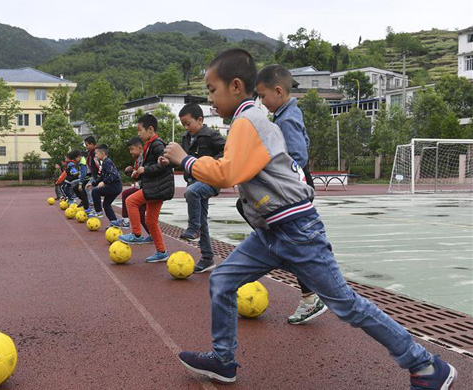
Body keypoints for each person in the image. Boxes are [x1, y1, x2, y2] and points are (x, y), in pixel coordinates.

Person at [164, 48, 457, 389]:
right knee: (223, 280)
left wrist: (184, 160)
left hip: (297, 230)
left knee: (347, 305)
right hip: (271, 232)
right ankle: (224, 360)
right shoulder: (248, 122)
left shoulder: (248, 121)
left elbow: (228, 173)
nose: (209, 99)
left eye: (212, 90)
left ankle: (426, 366)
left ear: (235, 86)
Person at [254, 64, 325, 324]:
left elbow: (298, 156)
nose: (261, 102)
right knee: (294, 245)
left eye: (262, 96)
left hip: (293, 193)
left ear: (279, 91)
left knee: (294, 246)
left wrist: (273, 174)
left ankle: (312, 297)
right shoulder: (286, 115)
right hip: (294, 190)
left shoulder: (287, 119)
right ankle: (311, 295)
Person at [119, 114, 174, 263]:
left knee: (131, 201)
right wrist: (139, 172)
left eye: (139, 130)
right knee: (150, 221)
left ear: (150, 129)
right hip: (155, 187)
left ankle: (136, 234)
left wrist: (145, 170)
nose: (138, 133)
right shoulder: (149, 145)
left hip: (157, 188)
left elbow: (164, 165)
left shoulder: (157, 144)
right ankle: (161, 251)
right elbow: (151, 167)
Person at [177, 103, 226, 273]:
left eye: (188, 123)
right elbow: (180, 157)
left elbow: (227, 151)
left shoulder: (211, 135)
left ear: (200, 120)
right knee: (202, 219)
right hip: (193, 180)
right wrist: (167, 160)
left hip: (210, 180)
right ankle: (207, 258)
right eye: (183, 124)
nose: (186, 127)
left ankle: (193, 229)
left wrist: (210, 164)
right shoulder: (184, 138)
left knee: (191, 192)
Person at [111, 137, 150, 241]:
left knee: (127, 195)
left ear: (140, 147)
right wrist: (132, 172)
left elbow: (145, 172)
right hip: (143, 187)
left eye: (132, 149)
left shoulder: (144, 157)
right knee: (141, 214)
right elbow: (138, 174)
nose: (130, 152)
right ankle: (151, 235)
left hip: (147, 188)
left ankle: (126, 222)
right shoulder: (137, 159)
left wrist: (137, 172)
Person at [88, 144, 122, 221]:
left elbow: (113, 175)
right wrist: (93, 183)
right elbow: (102, 176)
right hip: (115, 187)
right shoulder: (104, 163)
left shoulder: (107, 162)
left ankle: (98, 211)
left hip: (114, 187)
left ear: (102, 153)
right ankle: (114, 222)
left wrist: (104, 182)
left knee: (95, 192)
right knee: (106, 205)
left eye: (96, 153)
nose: (95, 155)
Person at [83, 136, 100, 213]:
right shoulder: (90, 153)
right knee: (90, 189)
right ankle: (94, 207)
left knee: (89, 188)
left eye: (87, 145)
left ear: (92, 144)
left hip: (97, 176)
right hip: (93, 175)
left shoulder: (94, 153)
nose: (86, 147)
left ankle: (93, 207)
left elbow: (99, 165)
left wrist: (99, 176)